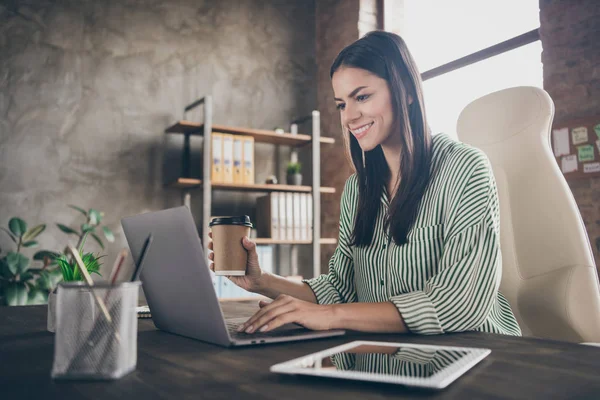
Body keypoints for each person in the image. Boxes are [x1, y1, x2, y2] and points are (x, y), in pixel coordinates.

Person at [208, 30, 521, 337]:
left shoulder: (464, 169)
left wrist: (327, 315)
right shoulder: (357, 191)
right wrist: (261, 280)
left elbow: (459, 303)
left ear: (407, 91)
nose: (348, 117)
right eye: (342, 104)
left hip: (478, 355)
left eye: (362, 97)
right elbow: (340, 290)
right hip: (386, 355)